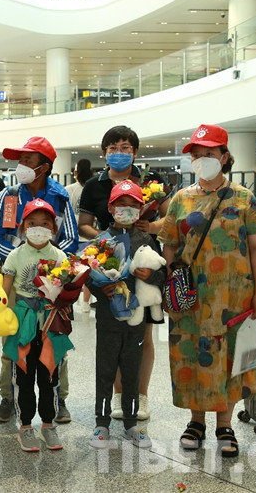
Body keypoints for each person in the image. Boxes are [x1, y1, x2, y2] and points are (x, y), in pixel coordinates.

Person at [158, 124, 256, 458]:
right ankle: (196, 422)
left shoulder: (244, 198)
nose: (202, 159)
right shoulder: (181, 199)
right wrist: (173, 283)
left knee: (230, 357)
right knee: (192, 353)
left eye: (209, 153)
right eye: (197, 154)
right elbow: (169, 245)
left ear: (224, 156)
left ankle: (225, 425)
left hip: (234, 298)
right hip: (190, 298)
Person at [78, 125, 171, 421]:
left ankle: (141, 395)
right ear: (104, 152)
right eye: (113, 148)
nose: (119, 153)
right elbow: (84, 224)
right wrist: (107, 242)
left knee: (144, 333)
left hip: (145, 261)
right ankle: (119, 396)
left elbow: (171, 217)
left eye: (125, 147)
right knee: (116, 331)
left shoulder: (151, 181)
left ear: (135, 151)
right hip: (111, 265)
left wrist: (151, 226)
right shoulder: (94, 185)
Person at [0, 136, 78, 425]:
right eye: (20, 160)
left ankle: (59, 398)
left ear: (44, 166)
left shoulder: (60, 197)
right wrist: (23, 257)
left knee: (54, 340)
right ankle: (8, 397)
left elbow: (71, 238)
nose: (21, 165)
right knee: (13, 338)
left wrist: (49, 264)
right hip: (15, 280)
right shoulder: (9, 195)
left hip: (54, 284)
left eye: (28, 160)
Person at [87, 180, 164, 450]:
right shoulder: (101, 241)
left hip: (136, 320)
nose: (127, 210)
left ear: (141, 210)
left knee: (132, 370)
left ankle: (132, 424)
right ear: (110, 208)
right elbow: (87, 277)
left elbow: (162, 275)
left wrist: (150, 275)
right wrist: (101, 289)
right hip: (108, 318)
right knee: (105, 371)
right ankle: (101, 423)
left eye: (133, 206)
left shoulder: (147, 240)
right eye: (121, 205)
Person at [1, 198, 70, 452]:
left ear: (54, 228)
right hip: (24, 323)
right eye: (32, 223)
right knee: (23, 376)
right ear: (22, 228)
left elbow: (67, 290)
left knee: (50, 375)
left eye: (45, 224)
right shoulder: (15, 255)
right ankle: (25, 425)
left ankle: (48, 424)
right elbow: (4, 292)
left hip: (51, 323)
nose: (38, 228)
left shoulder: (60, 256)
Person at [65, 158, 94, 313]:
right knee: (88, 270)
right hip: (90, 235)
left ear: (75, 173)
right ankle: (85, 302)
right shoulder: (93, 188)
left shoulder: (69, 189)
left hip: (72, 236)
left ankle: (69, 300)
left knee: (71, 271)